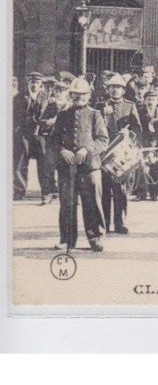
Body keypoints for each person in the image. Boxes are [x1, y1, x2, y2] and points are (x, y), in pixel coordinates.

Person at [50, 77, 108, 252]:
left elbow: (103, 140)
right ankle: (67, 239)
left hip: (89, 167)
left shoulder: (95, 114)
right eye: (76, 95)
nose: (79, 98)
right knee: (67, 203)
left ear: (89, 96)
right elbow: (53, 140)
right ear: (71, 95)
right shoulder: (63, 115)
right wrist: (62, 151)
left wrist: (86, 149)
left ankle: (96, 238)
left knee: (92, 203)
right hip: (67, 168)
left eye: (83, 95)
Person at [98, 73, 141, 234]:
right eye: (112, 87)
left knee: (120, 189)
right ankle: (104, 223)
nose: (115, 90)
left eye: (118, 87)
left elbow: (137, 128)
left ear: (123, 90)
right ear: (107, 89)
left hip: (122, 154)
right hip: (104, 153)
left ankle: (120, 222)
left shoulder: (130, 106)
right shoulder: (100, 106)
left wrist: (129, 135)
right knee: (104, 189)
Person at [36, 79, 71, 204]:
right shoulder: (50, 105)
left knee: (67, 168)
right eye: (57, 90)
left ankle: (68, 195)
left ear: (67, 92)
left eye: (62, 91)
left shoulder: (71, 105)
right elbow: (41, 121)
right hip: (51, 141)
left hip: (67, 142)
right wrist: (49, 122)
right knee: (48, 168)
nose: (60, 93)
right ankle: (47, 193)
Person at [12, 71, 46, 200]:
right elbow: (14, 116)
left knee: (44, 161)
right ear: (27, 83)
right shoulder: (19, 98)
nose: (34, 85)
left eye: (37, 82)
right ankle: (19, 191)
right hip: (24, 134)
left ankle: (46, 191)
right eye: (32, 82)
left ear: (41, 84)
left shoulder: (47, 97)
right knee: (20, 162)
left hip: (41, 135)